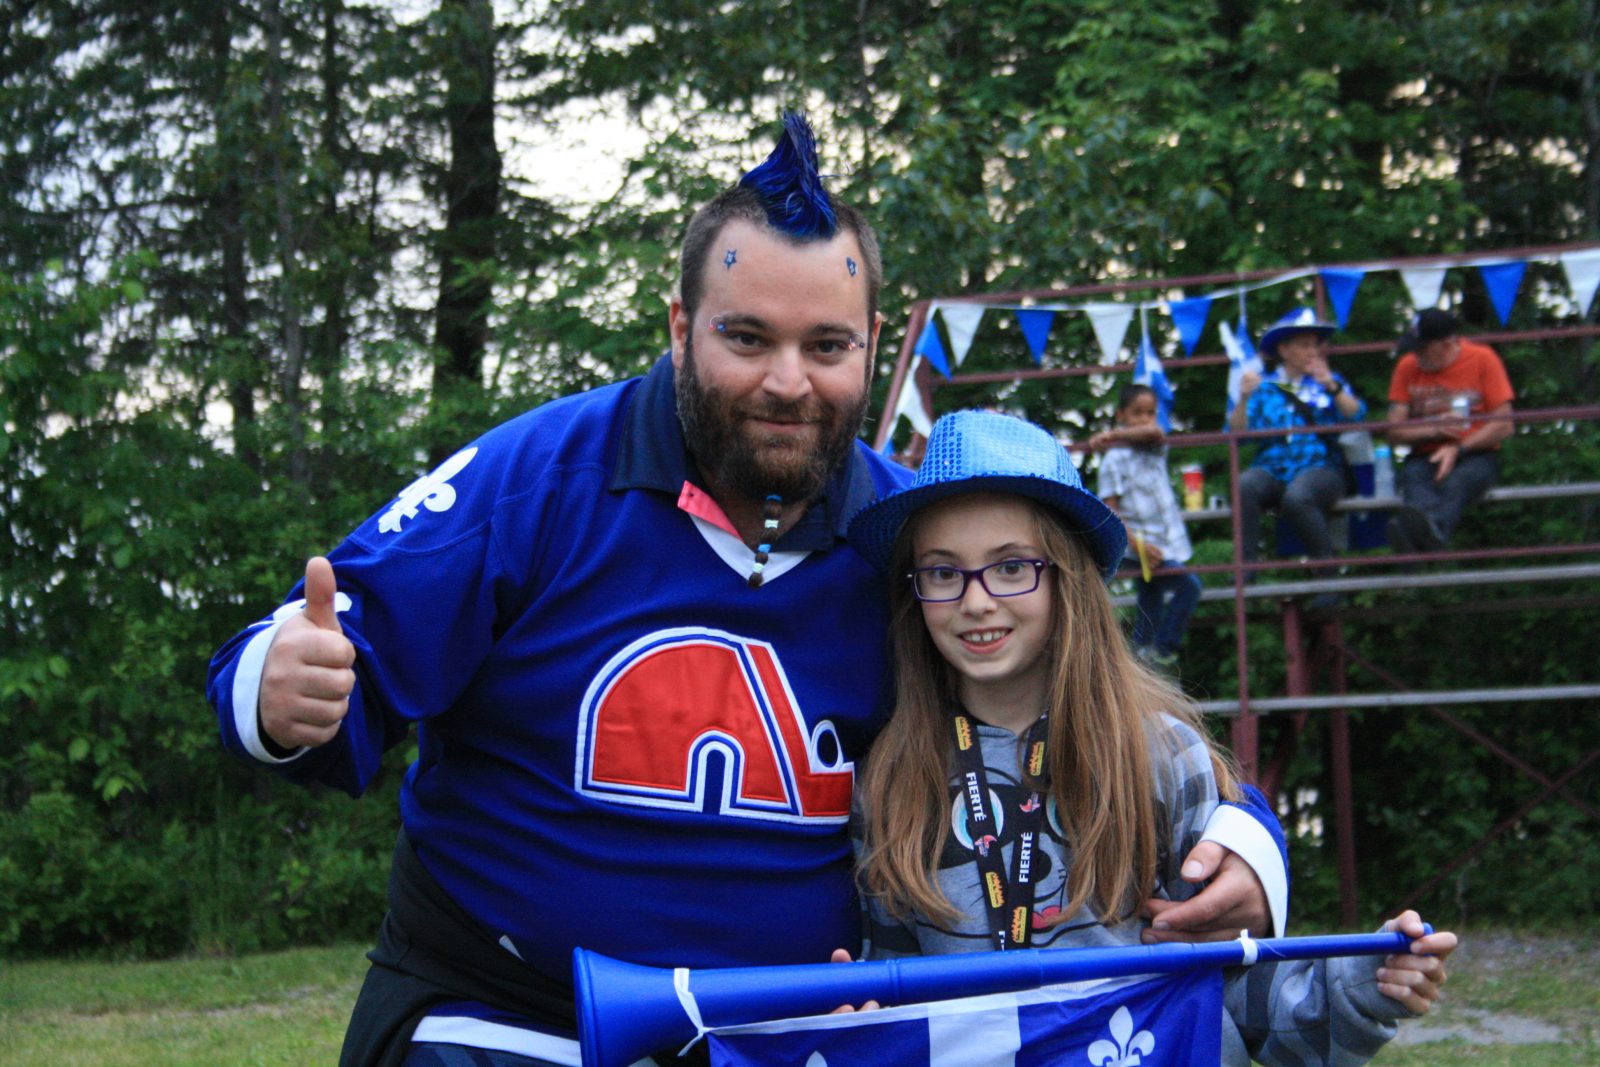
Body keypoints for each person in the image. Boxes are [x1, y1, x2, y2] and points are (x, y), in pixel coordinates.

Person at [206, 114, 1287, 1067]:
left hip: (790, 1035)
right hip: (500, 1014)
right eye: (745, 336)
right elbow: (326, 642)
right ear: (679, 330)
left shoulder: (918, 538)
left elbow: (1095, 699)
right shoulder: (536, 478)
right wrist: (276, 685)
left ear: (871, 350)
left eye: (825, 346)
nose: (787, 380)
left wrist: (1244, 838)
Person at [845, 409, 1458, 1064]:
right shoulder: (891, 780)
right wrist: (858, 1027)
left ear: (1067, 577)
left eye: (1011, 565)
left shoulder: (1163, 756)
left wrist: (1360, 987)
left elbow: (1249, 1007)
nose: (975, 600)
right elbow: (897, 998)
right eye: (943, 571)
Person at [1227, 308, 1366, 592]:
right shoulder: (1264, 387)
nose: (1312, 351)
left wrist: (1331, 385)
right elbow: (1237, 434)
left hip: (1322, 467)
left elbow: (1356, 416)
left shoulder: (1330, 382)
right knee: (1245, 485)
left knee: (1298, 496)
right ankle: (1247, 568)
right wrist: (1242, 398)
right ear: (1284, 349)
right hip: (1274, 468)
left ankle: (1328, 578)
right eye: (1304, 345)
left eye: (1315, 345)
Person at [1090, 383, 1202, 675]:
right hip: (1136, 543)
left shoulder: (1154, 447)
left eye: (1150, 412)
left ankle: (1147, 655)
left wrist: (1113, 435)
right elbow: (1110, 510)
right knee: (1187, 587)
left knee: (1151, 598)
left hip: (1166, 541)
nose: (1144, 419)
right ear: (1121, 414)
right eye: (1136, 412)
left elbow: (1154, 432)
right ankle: (1161, 652)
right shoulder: (1113, 461)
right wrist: (1137, 546)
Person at [1384, 309, 1516, 552]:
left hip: (1476, 453)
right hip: (1426, 453)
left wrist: (1458, 449)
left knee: (1459, 482)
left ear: (1446, 344)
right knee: (1415, 480)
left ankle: (1427, 533)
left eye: (1422, 348)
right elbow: (1393, 431)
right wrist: (1435, 430)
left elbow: (1504, 424)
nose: (1417, 355)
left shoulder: (1483, 359)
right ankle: (1422, 535)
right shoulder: (1407, 366)